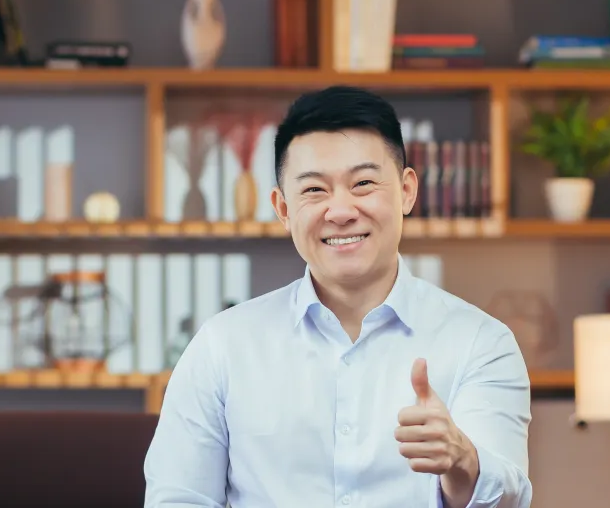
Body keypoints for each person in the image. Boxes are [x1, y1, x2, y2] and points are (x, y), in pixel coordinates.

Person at [143, 86, 532, 508]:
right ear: (283, 208)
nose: (341, 211)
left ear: (406, 190)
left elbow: (507, 500)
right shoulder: (222, 346)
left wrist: (462, 463)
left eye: (363, 183)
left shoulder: (481, 343)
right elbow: (178, 500)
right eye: (314, 190)